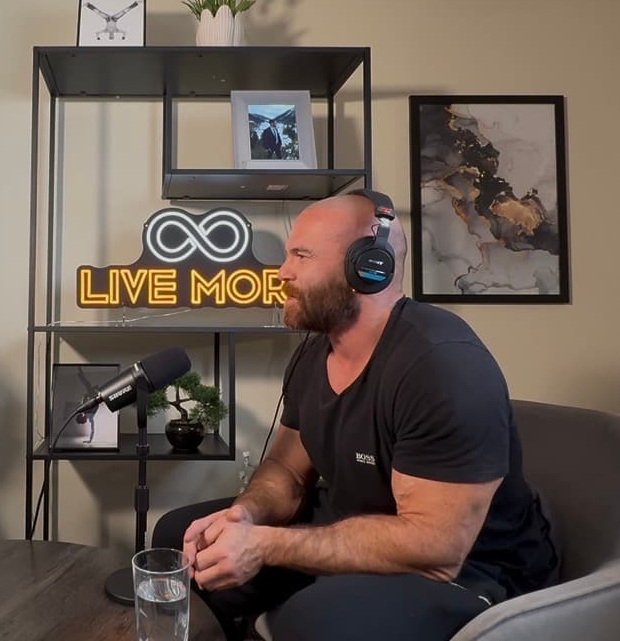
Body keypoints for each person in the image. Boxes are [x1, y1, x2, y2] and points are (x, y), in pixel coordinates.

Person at [152, 190, 559, 640]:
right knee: (182, 541)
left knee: (319, 619)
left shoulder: (443, 364)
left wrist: (266, 545)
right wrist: (245, 517)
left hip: (470, 568)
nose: (282, 272)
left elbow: (436, 548)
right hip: (356, 530)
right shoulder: (313, 356)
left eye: (301, 256)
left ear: (367, 267)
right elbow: (287, 469)